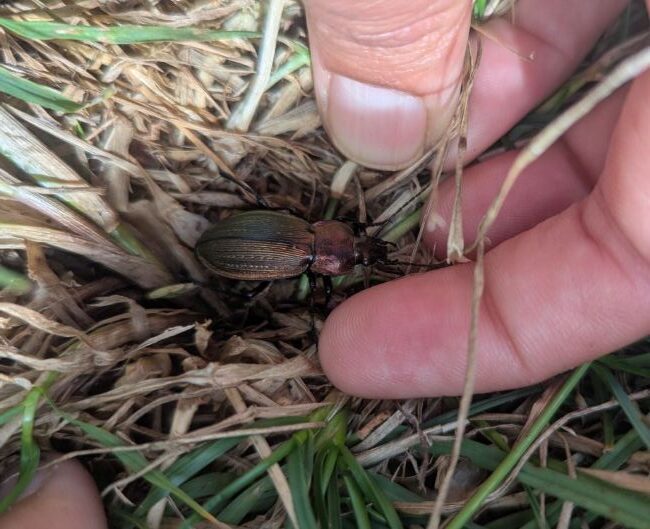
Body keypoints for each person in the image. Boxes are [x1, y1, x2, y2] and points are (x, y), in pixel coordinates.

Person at [1, 0, 647, 526]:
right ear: (329, 255)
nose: (351, 253)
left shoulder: (304, 229)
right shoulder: (305, 249)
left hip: (249, 242)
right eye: (351, 250)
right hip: (240, 248)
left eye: (350, 253)